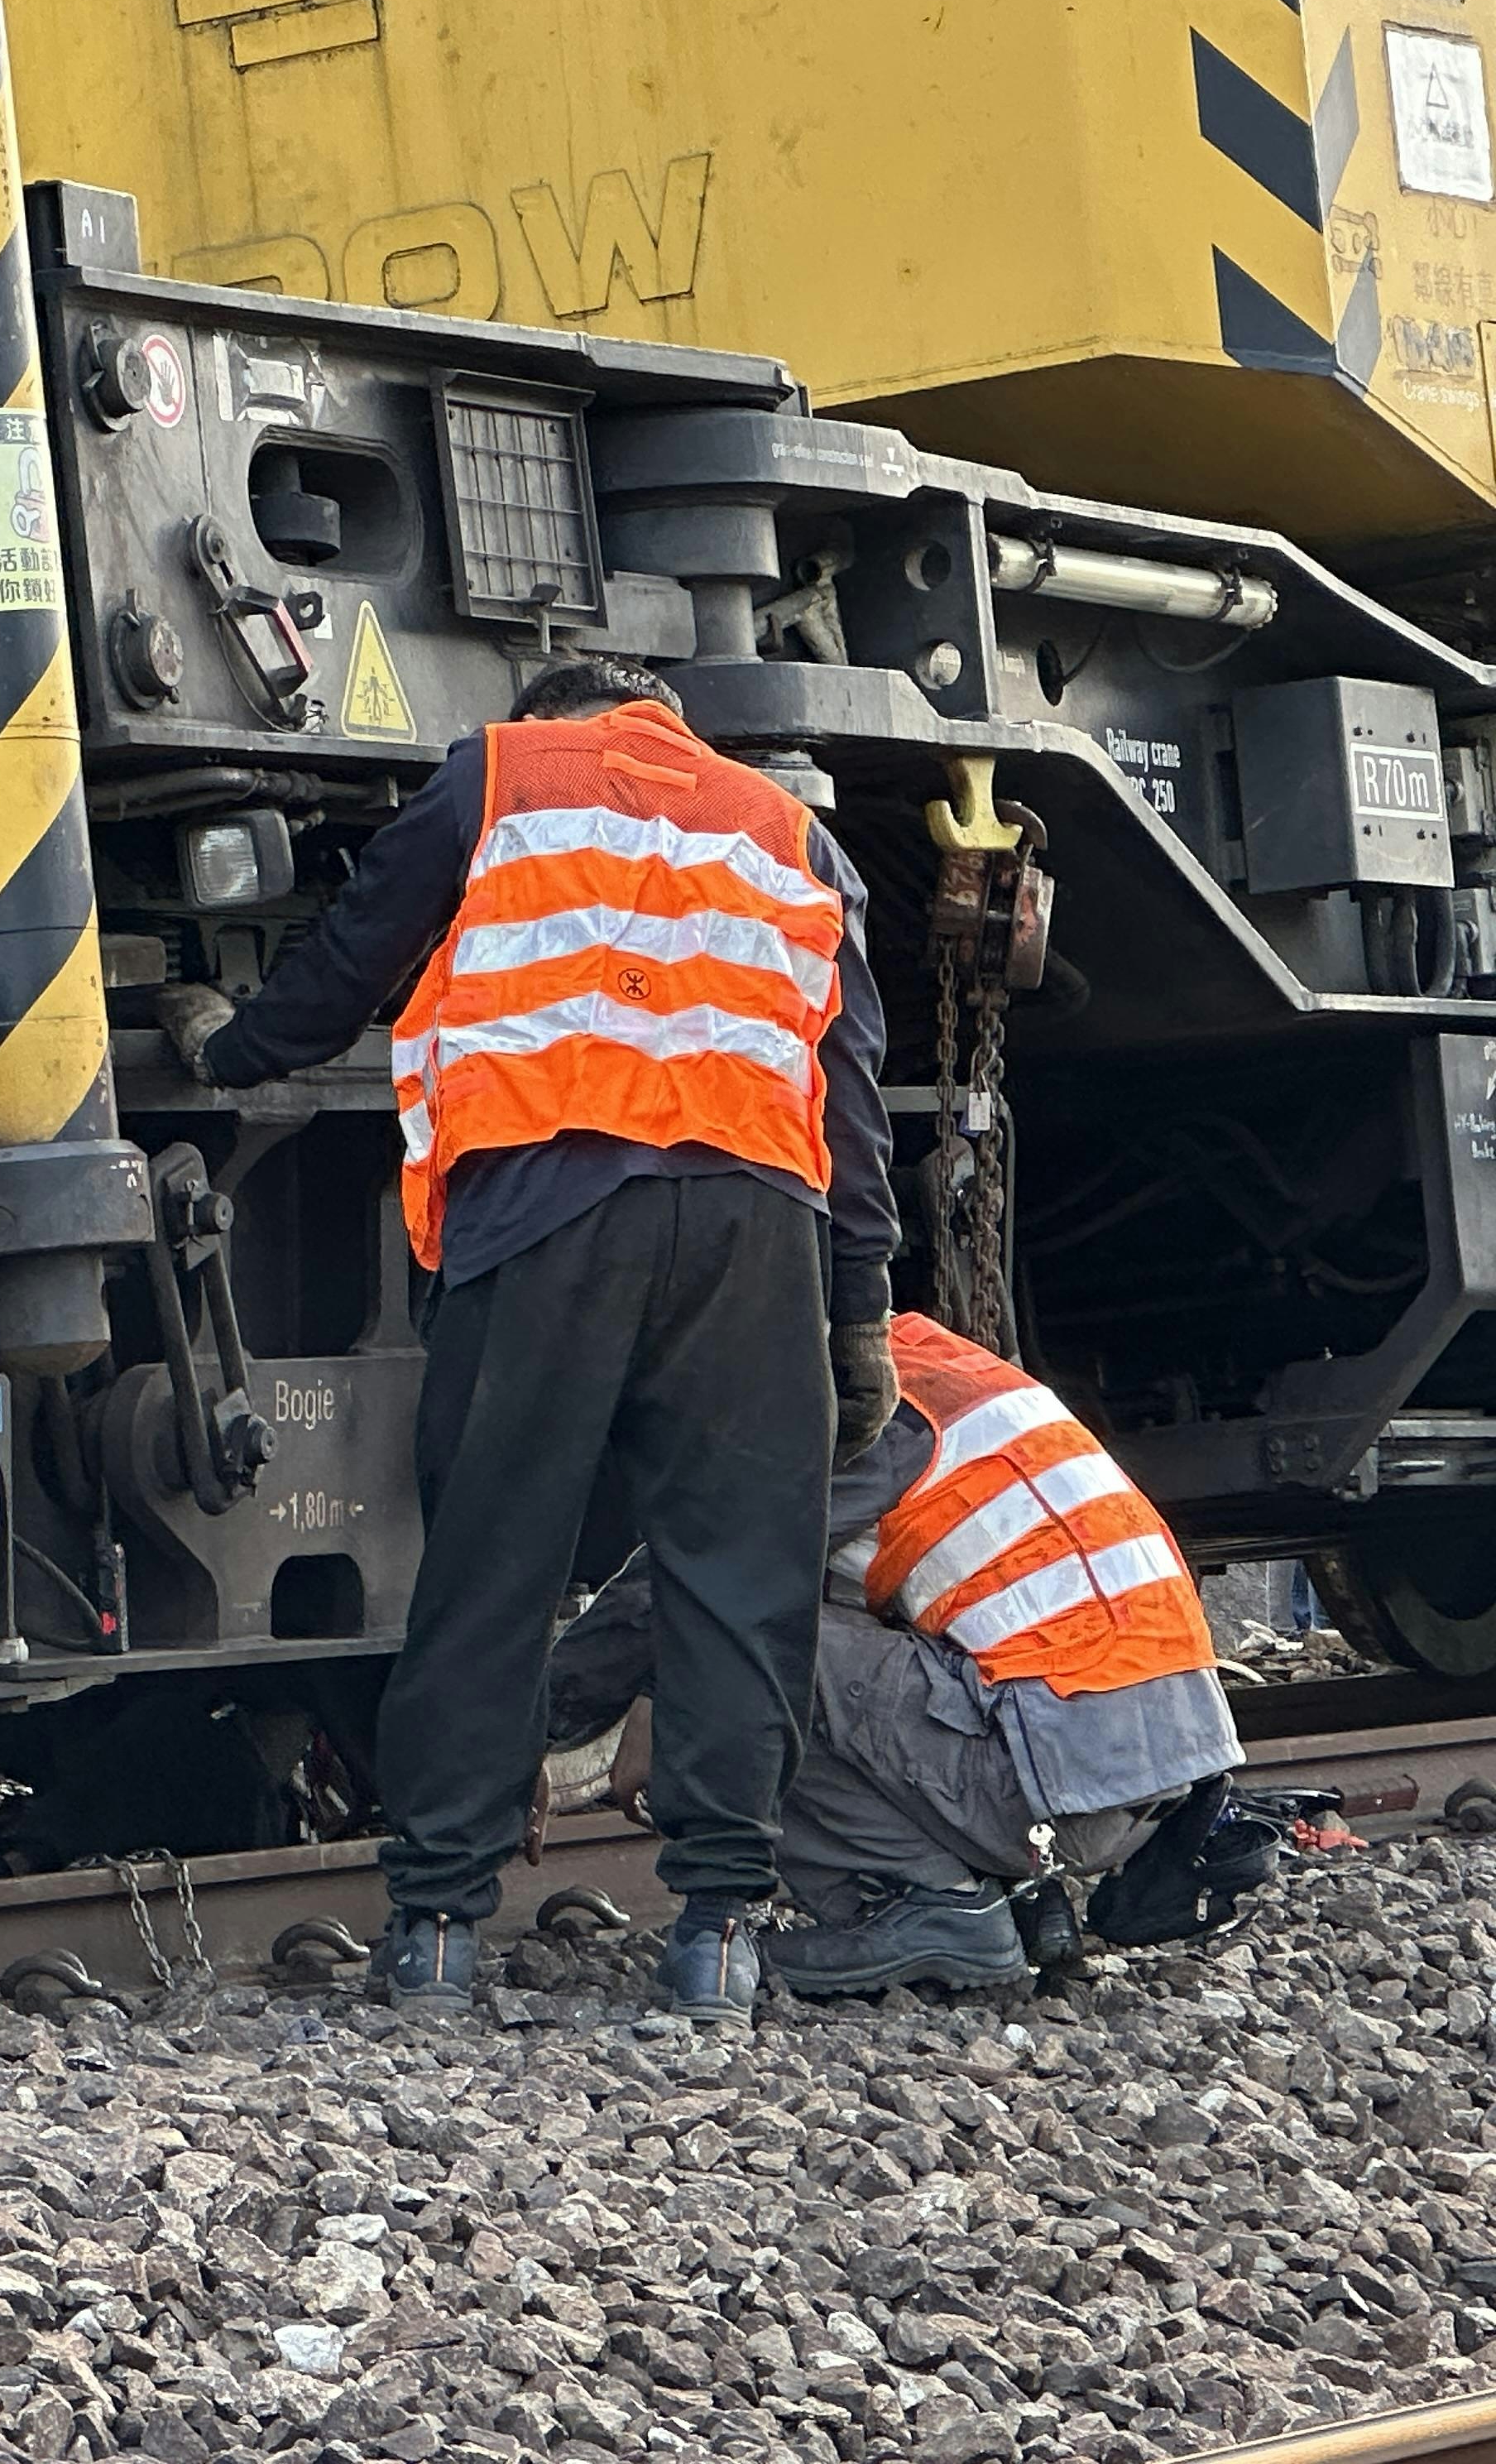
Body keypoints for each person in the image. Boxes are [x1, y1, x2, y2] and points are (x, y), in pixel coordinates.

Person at [159, 658, 894, 2023]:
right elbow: (843, 1081)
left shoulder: (499, 773)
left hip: (551, 1208)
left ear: (554, 713)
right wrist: (859, 1306)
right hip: (755, 1228)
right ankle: (717, 1936)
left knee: (493, 1565)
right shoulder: (791, 831)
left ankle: (439, 1929)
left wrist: (229, 1049)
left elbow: (354, 957)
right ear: (665, 719)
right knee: (740, 1576)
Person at [546, 1312, 1264, 1991]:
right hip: (1141, 1773)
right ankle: (992, 1892)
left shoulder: (849, 1415)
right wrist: (655, 1691)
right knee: (766, 1616)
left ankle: (922, 1900)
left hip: (1057, 1776)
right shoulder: (932, 1372)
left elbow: (695, 1584)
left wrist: (530, 1737)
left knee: (736, 1633)